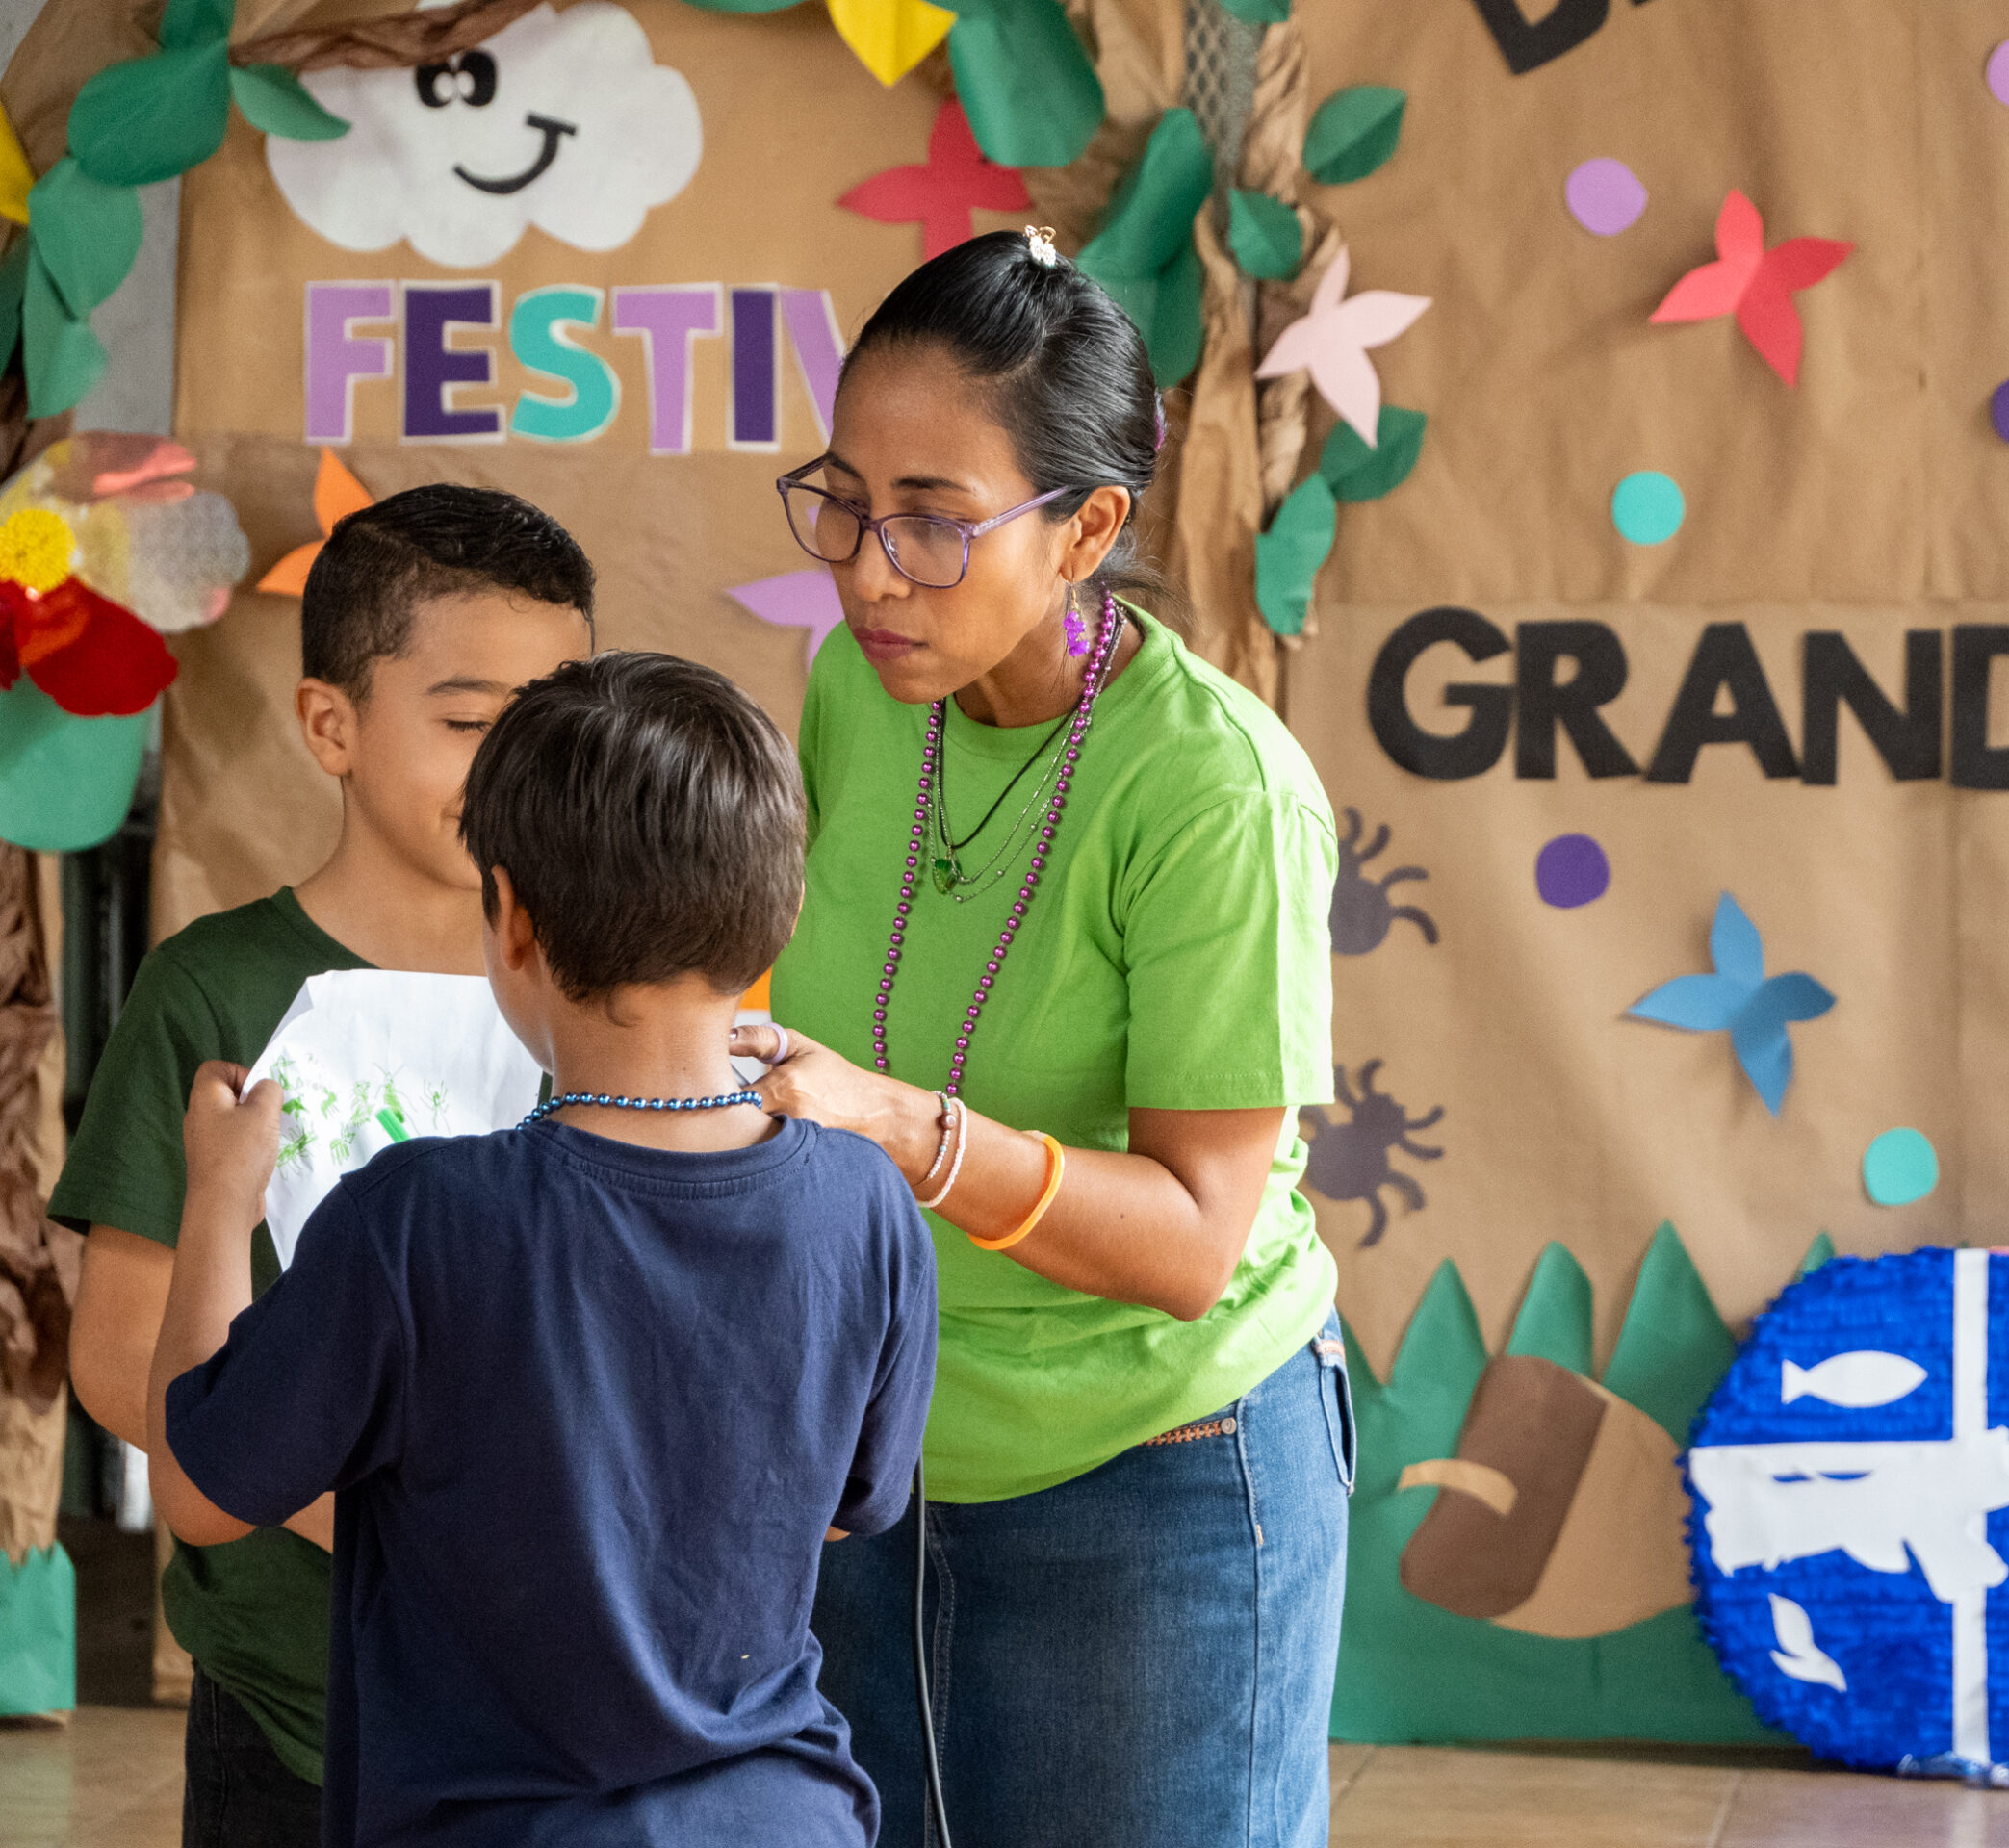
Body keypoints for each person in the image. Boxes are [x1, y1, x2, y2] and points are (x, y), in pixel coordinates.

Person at [742, 227, 1351, 1848]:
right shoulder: (858, 690)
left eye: (935, 522)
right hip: (884, 1452)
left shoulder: (1214, 791)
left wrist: (903, 1128)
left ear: (1089, 528)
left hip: (1158, 1472)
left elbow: (1194, 1243)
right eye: (845, 503)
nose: (871, 572)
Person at [146, 651, 939, 1848]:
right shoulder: (867, 1199)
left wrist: (217, 1197)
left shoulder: (415, 1217)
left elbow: (201, 1494)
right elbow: (841, 1510)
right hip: (784, 1817)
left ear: (510, 916)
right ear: (781, 911)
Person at [54, 486, 596, 1847]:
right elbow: (117, 1357)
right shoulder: (214, 990)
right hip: (296, 1703)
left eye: (553, 723)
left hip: (563, 1710)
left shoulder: (613, 992)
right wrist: (385, 1530)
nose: (517, 770)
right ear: (330, 725)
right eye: (469, 724)